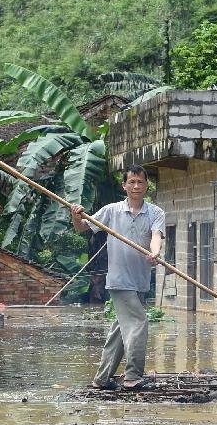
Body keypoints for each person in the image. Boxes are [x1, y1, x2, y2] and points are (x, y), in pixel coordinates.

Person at [70, 165, 164, 390]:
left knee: (120, 330)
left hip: (140, 281)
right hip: (119, 281)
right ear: (124, 185)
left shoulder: (156, 213)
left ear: (146, 185)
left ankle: (102, 379)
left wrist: (155, 252)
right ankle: (132, 377)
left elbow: (156, 237)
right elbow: (82, 227)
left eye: (140, 182)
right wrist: (75, 216)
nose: (136, 186)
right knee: (139, 322)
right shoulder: (111, 211)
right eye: (131, 182)